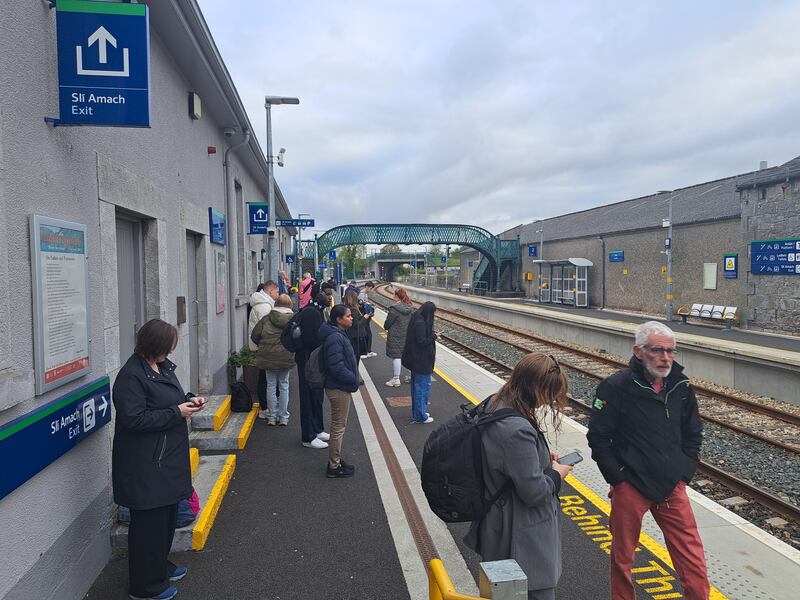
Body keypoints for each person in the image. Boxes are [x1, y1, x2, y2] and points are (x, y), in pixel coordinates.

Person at [587, 321, 707, 600]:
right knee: (623, 557)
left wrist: (684, 474)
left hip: (671, 487)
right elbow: (599, 437)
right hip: (631, 485)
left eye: (670, 351)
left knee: (692, 555)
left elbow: (694, 433)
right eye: (658, 351)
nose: (666, 358)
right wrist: (618, 479)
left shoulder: (681, 386)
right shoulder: (615, 387)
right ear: (638, 351)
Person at [112, 319, 207, 600]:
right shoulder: (131, 376)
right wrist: (177, 412)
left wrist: (190, 400)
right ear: (155, 346)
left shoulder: (161, 367)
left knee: (165, 520)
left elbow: (169, 399)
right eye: (167, 346)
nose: (170, 352)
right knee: (148, 527)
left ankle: (159, 567)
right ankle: (145, 586)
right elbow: (133, 419)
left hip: (166, 460)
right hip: (146, 464)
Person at [465, 353, 572, 600]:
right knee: (535, 593)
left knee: (500, 594)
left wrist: (541, 458)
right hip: (521, 535)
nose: (549, 400)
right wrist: (557, 473)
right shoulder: (517, 430)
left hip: (497, 525)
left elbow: (507, 463)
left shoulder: (496, 403)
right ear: (535, 387)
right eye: (549, 392)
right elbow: (535, 492)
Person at [318, 305, 360, 478]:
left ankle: (336, 459)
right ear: (338, 319)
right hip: (338, 387)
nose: (351, 318)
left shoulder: (336, 333)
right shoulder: (335, 337)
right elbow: (336, 366)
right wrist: (353, 378)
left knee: (338, 425)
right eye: (348, 316)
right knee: (338, 427)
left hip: (338, 385)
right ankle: (333, 466)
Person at [251, 294, 295, 425]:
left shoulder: (266, 319)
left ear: (276, 304)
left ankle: (272, 416)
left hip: (268, 356)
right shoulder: (294, 320)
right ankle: (283, 417)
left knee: (270, 386)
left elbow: (255, 336)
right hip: (286, 356)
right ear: (289, 305)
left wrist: (264, 345)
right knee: (284, 385)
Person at [295, 293, 330, 449]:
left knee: (316, 396)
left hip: (311, 361)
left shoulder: (311, 311)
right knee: (308, 398)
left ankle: (317, 429)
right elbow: (311, 340)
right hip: (308, 363)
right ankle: (308, 436)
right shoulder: (312, 314)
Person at [401, 301, 438, 423]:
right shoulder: (421, 323)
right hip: (421, 361)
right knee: (422, 389)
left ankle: (418, 413)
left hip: (416, 360)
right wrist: (434, 337)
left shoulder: (416, 319)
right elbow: (422, 342)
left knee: (417, 388)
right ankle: (421, 416)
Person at [248, 280, 279, 410]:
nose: (278, 294)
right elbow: (268, 330)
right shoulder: (265, 308)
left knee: (265, 378)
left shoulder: (263, 305)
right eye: (277, 292)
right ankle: (266, 408)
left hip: (261, 346)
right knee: (267, 380)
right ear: (270, 291)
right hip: (265, 347)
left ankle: (266, 406)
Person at [384, 287, 414, 387]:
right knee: (408, 355)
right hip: (407, 334)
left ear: (397, 296)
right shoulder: (410, 307)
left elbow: (388, 323)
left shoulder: (394, 309)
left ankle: (396, 379)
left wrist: (386, 326)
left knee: (397, 356)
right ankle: (411, 376)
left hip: (395, 336)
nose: (393, 296)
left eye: (394, 295)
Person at [343, 290, 370, 364]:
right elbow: (356, 325)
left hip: (349, 335)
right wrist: (365, 318)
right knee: (355, 360)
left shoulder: (346, 308)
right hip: (355, 337)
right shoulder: (353, 310)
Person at [357, 281, 376, 357]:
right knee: (366, 333)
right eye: (370, 288)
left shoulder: (364, 294)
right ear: (367, 287)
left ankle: (368, 351)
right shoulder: (362, 294)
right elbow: (362, 305)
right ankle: (365, 351)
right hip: (364, 316)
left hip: (366, 316)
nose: (370, 290)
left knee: (367, 333)